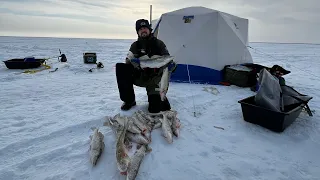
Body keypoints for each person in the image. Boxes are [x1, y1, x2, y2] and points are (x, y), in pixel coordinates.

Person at [115, 19, 174, 113]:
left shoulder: (159, 44)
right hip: (141, 76)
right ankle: (129, 101)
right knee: (121, 68)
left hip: (155, 80)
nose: (143, 30)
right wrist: (133, 63)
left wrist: (171, 65)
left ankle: (160, 95)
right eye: (140, 29)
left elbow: (167, 59)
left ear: (150, 30)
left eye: (145, 28)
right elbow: (128, 59)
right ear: (138, 32)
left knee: (155, 109)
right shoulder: (135, 45)